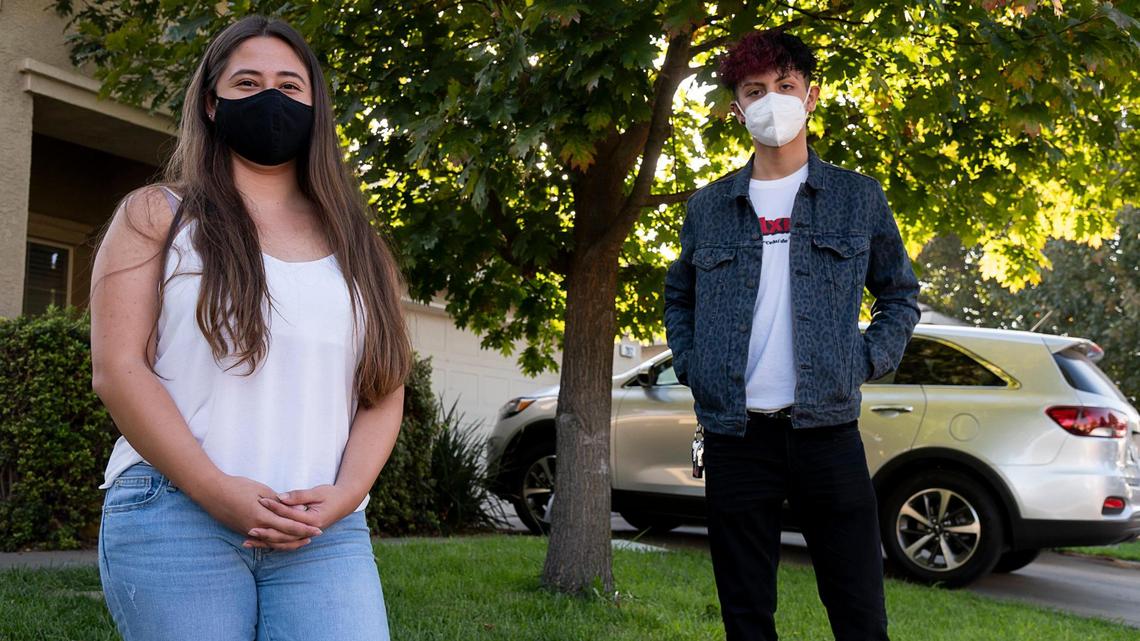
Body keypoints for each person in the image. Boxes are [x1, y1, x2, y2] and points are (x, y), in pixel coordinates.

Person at [89, 16, 411, 641]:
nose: (271, 98)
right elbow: (118, 369)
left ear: (316, 105)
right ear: (212, 103)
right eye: (247, 82)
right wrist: (213, 489)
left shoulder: (361, 243)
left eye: (290, 85)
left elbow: (384, 387)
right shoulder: (157, 214)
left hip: (322, 532)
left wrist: (344, 497)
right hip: (175, 512)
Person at [664, 28, 920, 641]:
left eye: (785, 86)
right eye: (756, 90)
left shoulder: (858, 198)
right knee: (746, 615)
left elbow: (900, 294)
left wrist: (864, 359)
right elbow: (680, 296)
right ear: (738, 108)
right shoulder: (708, 206)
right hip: (735, 434)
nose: (772, 99)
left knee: (859, 612)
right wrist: (694, 364)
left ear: (810, 97)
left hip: (826, 431)